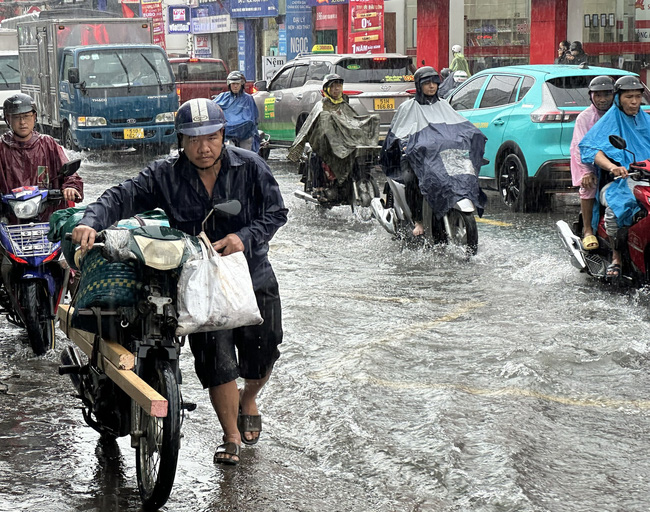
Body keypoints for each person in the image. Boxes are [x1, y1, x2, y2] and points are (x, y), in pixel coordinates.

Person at [70, 98, 288, 466]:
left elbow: (276, 212)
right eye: (193, 139)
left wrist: (245, 237)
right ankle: (231, 435)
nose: (204, 147)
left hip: (249, 272)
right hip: (193, 279)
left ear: (223, 135)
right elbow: (121, 196)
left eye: (212, 137)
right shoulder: (164, 174)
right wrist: (92, 221)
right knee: (215, 357)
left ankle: (248, 399)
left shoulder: (251, 167)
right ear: (180, 141)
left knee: (265, 348)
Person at [0, 93, 84, 339]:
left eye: (27, 117)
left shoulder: (49, 145)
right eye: (16, 118)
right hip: (10, 223)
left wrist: (71, 188)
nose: (22, 122)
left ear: (35, 117)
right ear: (7, 120)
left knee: (72, 259)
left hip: (48, 221)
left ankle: (86, 311)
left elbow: (71, 175)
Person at [380, 66, 486, 236]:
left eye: (434, 82)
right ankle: (418, 221)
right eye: (427, 83)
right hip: (415, 156)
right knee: (412, 180)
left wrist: (472, 139)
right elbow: (397, 134)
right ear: (418, 85)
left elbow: (458, 128)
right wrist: (406, 145)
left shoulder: (444, 105)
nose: (431, 86)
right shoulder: (408, 108)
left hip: (438, 155)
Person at [579, 75, 650, 277]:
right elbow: (591, 149)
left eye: (638, 96)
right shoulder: (610, 120)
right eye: (629, 97)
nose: (634, 102)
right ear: (619, 98)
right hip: (621, 181)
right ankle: (617, 256)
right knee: (618, 209)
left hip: (648, 178)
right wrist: (612, 167)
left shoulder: (646, 120)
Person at [287, 73, 379, 201]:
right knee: (315, 156)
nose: (336, 89)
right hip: (324, 144)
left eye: (339, 86)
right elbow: (315, 126)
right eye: (333, 86)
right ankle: (318, 188)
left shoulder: (344, 104)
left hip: (344, 142)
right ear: (326, 90)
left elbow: (353, 121)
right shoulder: (321, 106)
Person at [569, 75, 615, 251]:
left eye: (607, 94)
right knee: (589, 186)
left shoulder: (620, 114)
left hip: (620, 161)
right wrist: (587, 171)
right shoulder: (585, 118)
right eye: (598, 95)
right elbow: (580, 147)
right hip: (590, 163)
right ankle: (588, 230)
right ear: (591, 96)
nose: (602, 99)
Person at [213, 70, 260, 152]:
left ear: (241, 85)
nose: (235, 86)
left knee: (247, 155)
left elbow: (251, 119)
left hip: (245, 134)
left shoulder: (248, 99)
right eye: (233, 84)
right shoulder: (223, 97)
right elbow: (212, 108)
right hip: (227, 134)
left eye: (237, 84)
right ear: (229, 84)